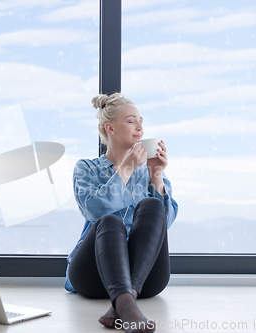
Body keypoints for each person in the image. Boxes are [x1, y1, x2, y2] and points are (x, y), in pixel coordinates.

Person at [64, 92, 179, 333]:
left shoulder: (148, 170)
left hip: (146, 277)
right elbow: (92, 209)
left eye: (141, 121)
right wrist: (125, 169)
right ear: (110, 128)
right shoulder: (86, 168)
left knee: (153, 205)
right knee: (109, 221)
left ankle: (125, 303)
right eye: (131, 121)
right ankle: (128, 305)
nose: (140, 127)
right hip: (93, 276)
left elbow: (162, 226)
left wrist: (156, 175)